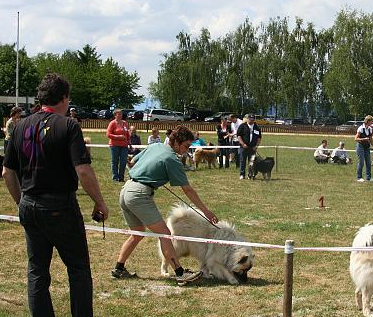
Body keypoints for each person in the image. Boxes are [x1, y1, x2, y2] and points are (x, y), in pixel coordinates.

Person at [2, 73, 117, 317]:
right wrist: (100, 202)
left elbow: (8, 172)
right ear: (64, 98)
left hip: (29, 204)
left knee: (37, 272)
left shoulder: (18, 128)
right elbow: (83, 170)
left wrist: (21, 203)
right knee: (78, 268)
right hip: (60, 206)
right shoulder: (69, 126)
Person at [112, 126, 218, 284]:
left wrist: (146, 174)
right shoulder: (173, 159)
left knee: (137, 233)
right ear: (176, 142)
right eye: (186, 146)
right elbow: (187, 190)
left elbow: (132, 162)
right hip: (139, 195)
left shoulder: (155, 146)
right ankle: (180, 273)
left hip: (126, 190)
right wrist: (206, 212)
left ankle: (118, 268)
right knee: (165, 234)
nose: (186, 150)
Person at [106, 109, 130, 182]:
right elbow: (108, 134)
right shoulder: (112, 123)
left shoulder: (125, 123)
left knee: (123, 161)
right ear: (115, 115)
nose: (120, 115)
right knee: (115, 161)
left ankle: (121, 177)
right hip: (114, 145)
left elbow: (127, 134)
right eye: (118, 114)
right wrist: (118, 137)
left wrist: (129, 143)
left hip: (124, 145)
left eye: (121, 114)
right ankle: (115, 177)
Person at [237, 114, 262, 180]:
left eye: (253, 120)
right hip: (243, 147)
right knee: (242, 161)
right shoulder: (242, 126)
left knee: (251, 162)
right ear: (247, 119)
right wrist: (242, 144)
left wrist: (256, 146)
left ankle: (250, 175)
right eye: (250, 119)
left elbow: (259, 138)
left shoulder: (257, 127)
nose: (251, 121)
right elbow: (239, 136)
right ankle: (242, 174)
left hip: (252, 148)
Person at [355, 115, 373, 182]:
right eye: (371, 121)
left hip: (367, 147)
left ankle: (368, 178)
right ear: (368, 121)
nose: (372, 123)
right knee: (361, 162)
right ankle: (359, 177)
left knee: (368, 162)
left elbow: (371, 139)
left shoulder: (370, 129)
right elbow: (356, 139)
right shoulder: (360, 128)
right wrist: (364, 139)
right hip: (360, 147)